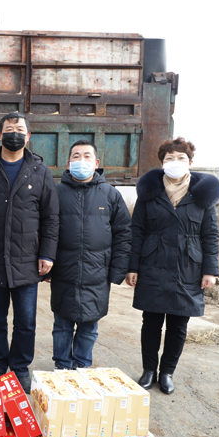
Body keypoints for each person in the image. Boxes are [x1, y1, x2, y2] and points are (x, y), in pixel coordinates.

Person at [0, 112, 59, 392]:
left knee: (26, 321)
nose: (14, 134)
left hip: (27, 259)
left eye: (20, 129)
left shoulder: (40, 172)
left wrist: (47, 253)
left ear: (28, 136)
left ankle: (20, 367)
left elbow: (51, 218)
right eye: (9, 129)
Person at [126, 137, 219, 394]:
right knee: (151, 322)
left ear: (190, 162)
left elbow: (210, 235)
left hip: (188, 268)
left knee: (178, 325)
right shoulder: (149, 194)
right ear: (162, 163)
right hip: (153, 265)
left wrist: (210, 271)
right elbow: (137, 231)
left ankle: (167, 372)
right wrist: (132, 267)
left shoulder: (202, 196)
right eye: (169, 158)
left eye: (181, 158)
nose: (175, 162)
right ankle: (149, 370)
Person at [47, 140, 131, 370]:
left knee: (89, 326)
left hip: (98, 273)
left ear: (96, 163)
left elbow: (124, 234)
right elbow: (45, 231)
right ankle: (62, 365)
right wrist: (46, 267)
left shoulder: (110, 194)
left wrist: (117, 271)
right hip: (64, 271)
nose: (81, 160)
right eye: (76, 156)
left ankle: (82, 365)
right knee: (62, 325)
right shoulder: (56, 193)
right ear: (68, 163)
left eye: (87, 156)